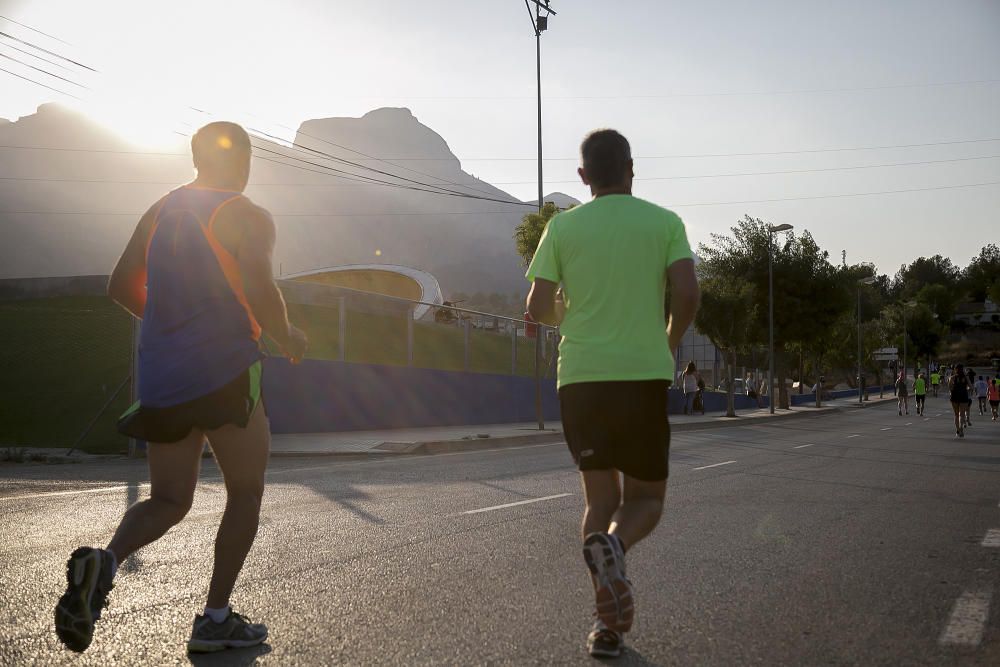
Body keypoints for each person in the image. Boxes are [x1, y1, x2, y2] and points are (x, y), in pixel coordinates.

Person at [54, 122, 308, 655]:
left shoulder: (163, 207)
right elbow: (260, 287)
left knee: (169, 499)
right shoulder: (247, 214)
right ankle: (215, 618)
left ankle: (106, 562)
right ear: (242, 160)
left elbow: (120, 284)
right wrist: (288, 335)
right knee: (245, 489)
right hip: (227, 368)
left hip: (163, 374)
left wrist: (171, 326)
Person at [526, 128, 699, 658]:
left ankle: (606, 627)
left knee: (600, 500)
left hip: (580, 378)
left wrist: (565, 314)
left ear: (583, 177)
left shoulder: (561, 226)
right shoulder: (665, 222)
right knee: (645, 499)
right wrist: (668, 342)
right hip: (641, 376)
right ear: (631, 168)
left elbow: (537, 307)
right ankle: (617, 549)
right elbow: (688, 293)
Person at [949, 364, 972, 437]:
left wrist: (953, 390)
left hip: (954, 396)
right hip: (963, 396)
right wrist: (966, 389)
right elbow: (971, 387)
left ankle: (958, 430)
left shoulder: (952, 378)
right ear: (962, 369)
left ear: (955, 370)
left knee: (956, 415)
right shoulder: (966, 377)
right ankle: (961, 427)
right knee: (961, 414)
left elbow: (950, 388)